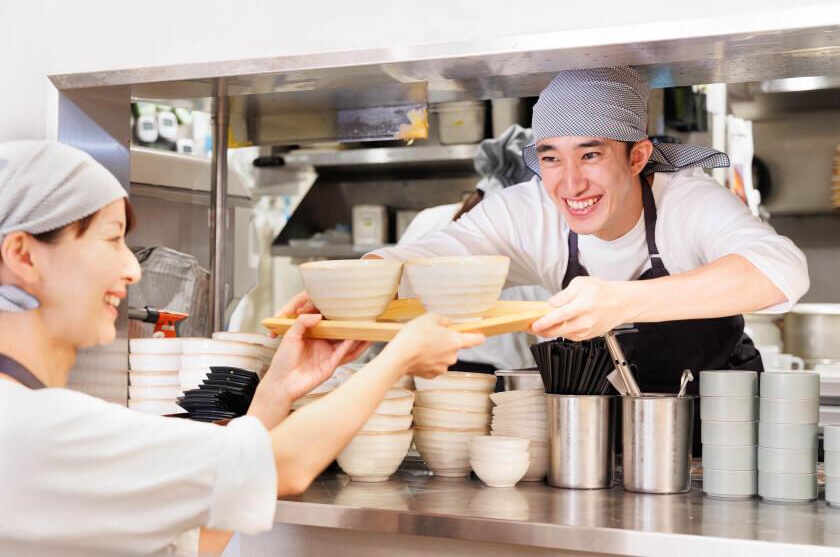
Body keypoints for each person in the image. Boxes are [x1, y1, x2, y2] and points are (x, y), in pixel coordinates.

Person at [0, 141, 484, 556]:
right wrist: (399, 354)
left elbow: (195, 540)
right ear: (22, 254)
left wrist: (279, 389)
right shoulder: (30, 428)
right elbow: (284, 467)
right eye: (111, 240)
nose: (133, 269)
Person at [366, 67, 809, 437]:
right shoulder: (530, 211)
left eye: (590, 154)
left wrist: (621, 302)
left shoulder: (687, 203)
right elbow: (435, 255)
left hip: (720, 433)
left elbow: (781, 270)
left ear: (637, 157)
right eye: (551, 158)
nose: (570, 183)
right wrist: (368, 274)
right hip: (599, 442)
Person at [397, 124, 550, 373]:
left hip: (423, 370)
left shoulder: (428, 217)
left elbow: (398, 294)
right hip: (508, 382)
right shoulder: (530, 232)